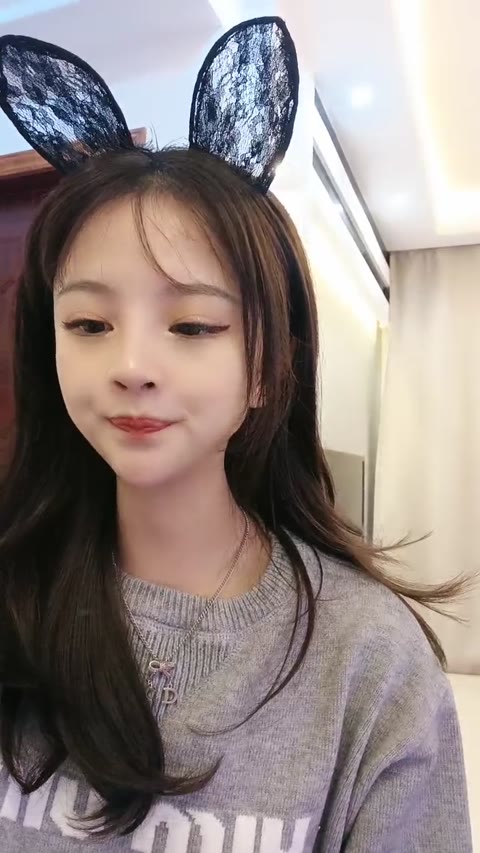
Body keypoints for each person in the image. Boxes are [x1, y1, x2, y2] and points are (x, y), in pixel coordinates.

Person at [0, 17, 473, 853]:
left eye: (192, 326)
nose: (131, 365)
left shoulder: (367, 660)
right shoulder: (16, 594)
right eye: (89, 324)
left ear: (266, 368)